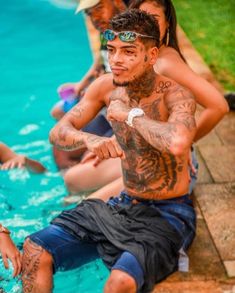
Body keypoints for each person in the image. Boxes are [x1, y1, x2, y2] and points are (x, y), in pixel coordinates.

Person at [22, 9, 197, 293]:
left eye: (128, 51)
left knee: (119, 284)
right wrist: (89, 140)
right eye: (112, 50)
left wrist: (130, 116)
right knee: (34, 250)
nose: (116, 60)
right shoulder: (106, 86)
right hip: (121, 204)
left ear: (151, 56)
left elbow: (178, 142)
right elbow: (58, 132)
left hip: (168, 213)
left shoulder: (176, 94)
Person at [85, 0, 229, 200]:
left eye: (153, 19)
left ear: (167, 24)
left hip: (166, 169)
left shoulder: (166, 62)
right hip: (141, 151)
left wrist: (184, 144)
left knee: (89, 203)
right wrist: (114, 140)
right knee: (74, 180)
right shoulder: (139, 59)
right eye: (140, 16)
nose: (145, 25)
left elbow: (219, 106)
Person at [53, 0, 127, 195]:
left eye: (99, 9)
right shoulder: (107, 35)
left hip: (124, 131)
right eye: (90, 13)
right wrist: (82, 86)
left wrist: (112, 141)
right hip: (109, 116)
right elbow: (98, 63)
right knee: (59, 129)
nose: (95, 18)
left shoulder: (133, 45)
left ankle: (80, 182)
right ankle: (73, 181)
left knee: (76, 175)